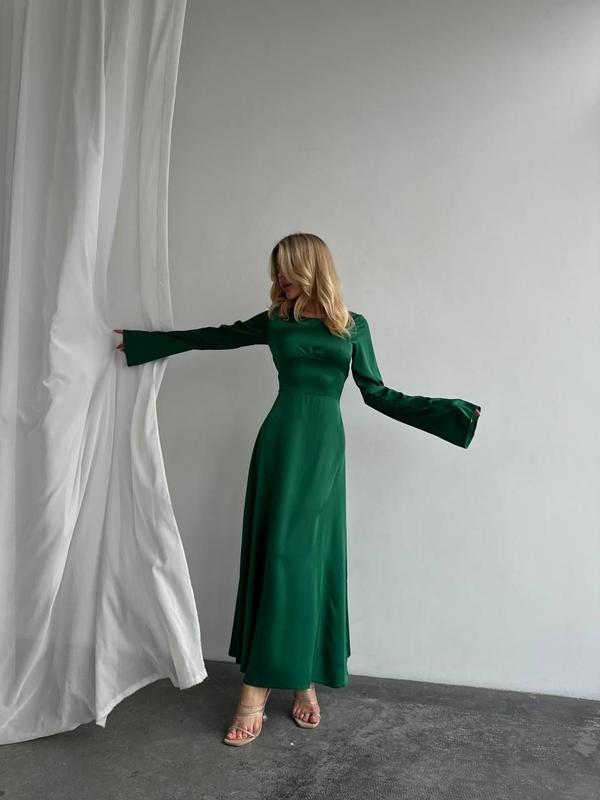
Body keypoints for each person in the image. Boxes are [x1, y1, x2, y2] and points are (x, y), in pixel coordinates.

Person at [114, 232, 482, 747]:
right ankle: (264, 687)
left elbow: (377, 393)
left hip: (324, 448)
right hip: (282, 442)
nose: (279, 278)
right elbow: (214, 336)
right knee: (282, 556)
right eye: (276, 270)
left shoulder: (352, 325)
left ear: (312, 267)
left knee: (308, 561)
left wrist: (451, 414)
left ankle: (297, 677)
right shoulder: (275, 321)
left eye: (287, 268)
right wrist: (141, 342)